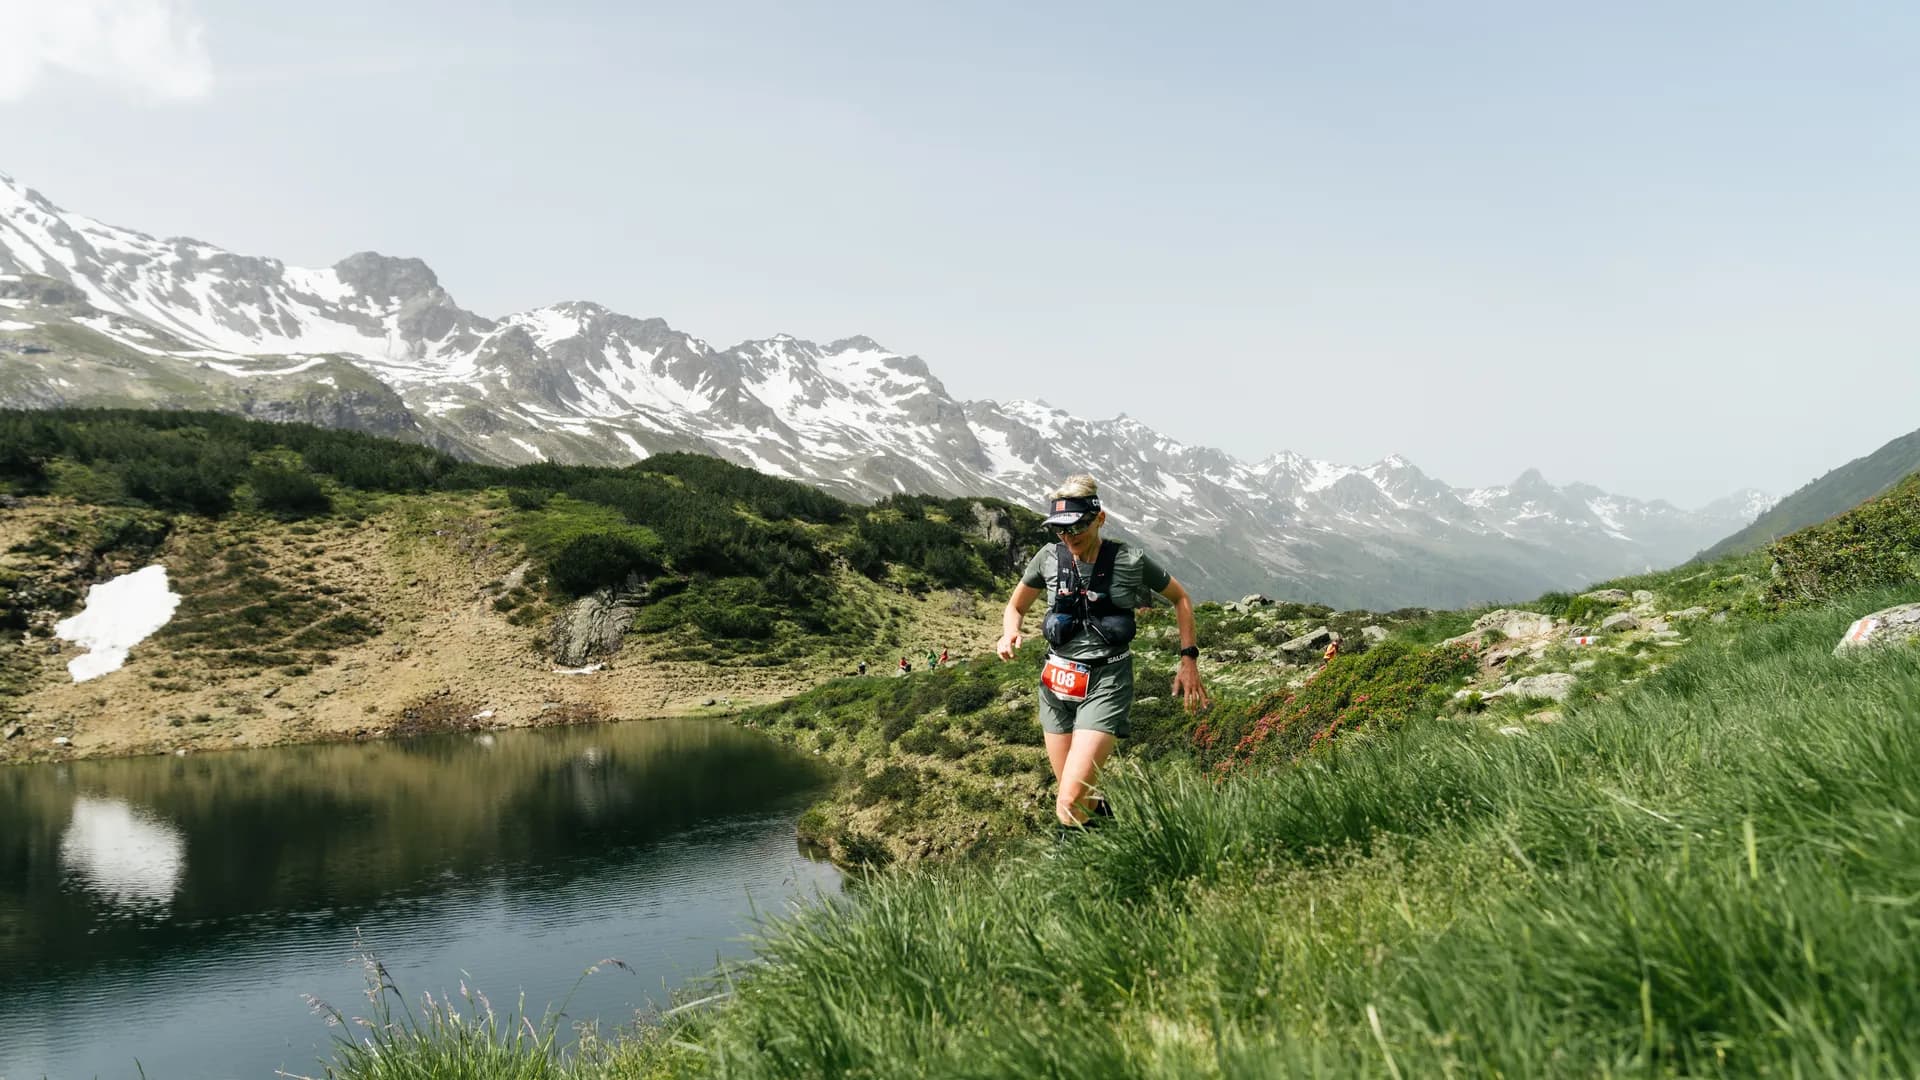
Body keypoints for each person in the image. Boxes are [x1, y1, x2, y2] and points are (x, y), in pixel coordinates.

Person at [996, 474, 1210, 825]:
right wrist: (1009, 633)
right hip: (1055, 685)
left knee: (1067, 800)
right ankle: (1121, 849)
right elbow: (1015, 607)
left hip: (1106, 681)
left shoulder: (1130, 560)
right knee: (1078, 798)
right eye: (1060, 530)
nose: (1069, 536)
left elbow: (1180, 598)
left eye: (1077, 526)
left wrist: (1188, 660)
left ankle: (1069, 872)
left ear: (1099, 518)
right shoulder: (1048, 558)